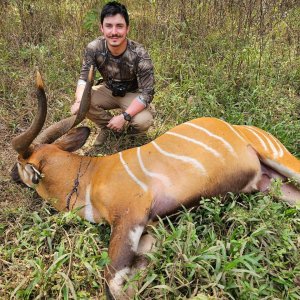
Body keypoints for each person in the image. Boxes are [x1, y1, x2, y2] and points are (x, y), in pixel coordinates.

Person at [71, 1, 155, 145]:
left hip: (133, 94)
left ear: (127, 28)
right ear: (102, 28)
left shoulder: (140, 54)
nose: (114, 32)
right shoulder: (93, 48)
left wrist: (124, 117)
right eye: (109, 26)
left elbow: (148, 93)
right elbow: (83, 78)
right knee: (82, 104)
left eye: (119, 26)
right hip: (108, 89)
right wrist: (79, 101)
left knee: (143, 121)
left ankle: (131, 134)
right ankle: (109, 128)